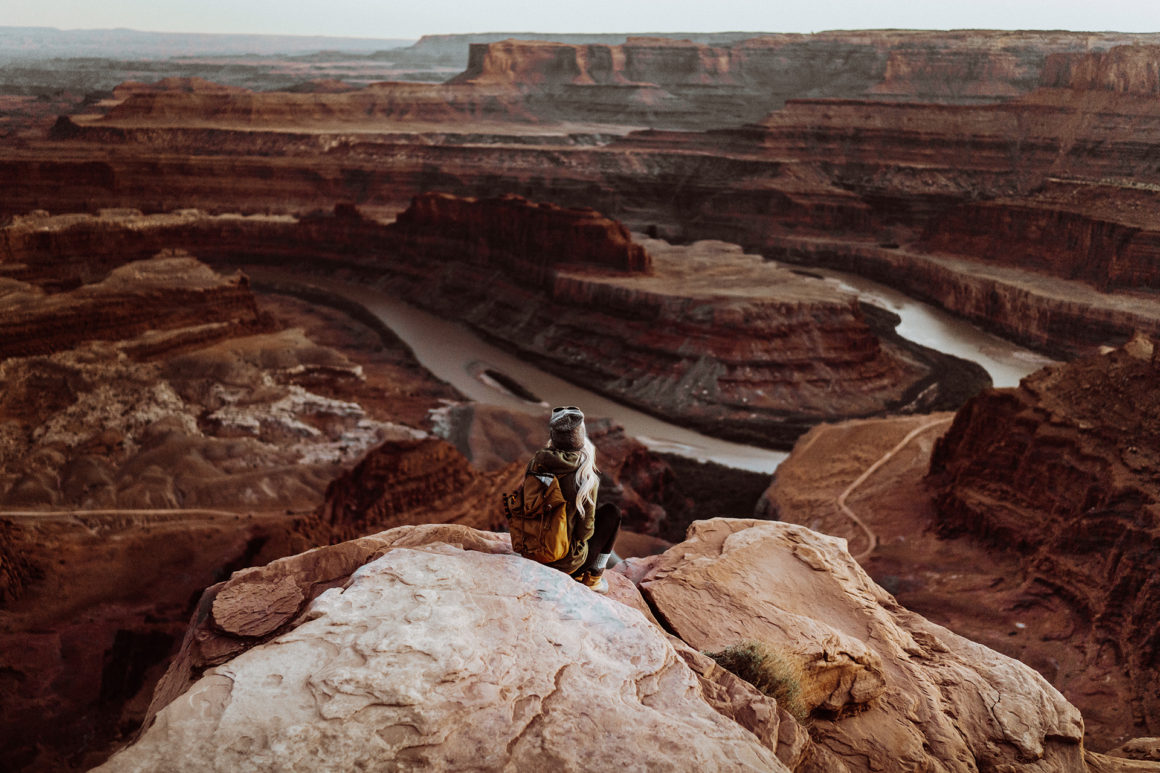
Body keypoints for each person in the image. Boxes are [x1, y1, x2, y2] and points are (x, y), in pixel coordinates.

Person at [525, 406, 621, 593]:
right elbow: (585, 531)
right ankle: (593, 577)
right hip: (563, 563)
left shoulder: (536, 462)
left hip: (529, 550)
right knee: (611, 513)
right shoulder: (584, 478)